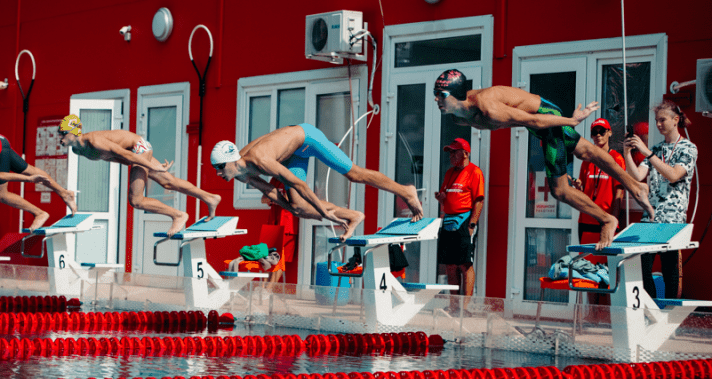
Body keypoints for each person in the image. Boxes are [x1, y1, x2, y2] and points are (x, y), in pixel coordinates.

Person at [433, 68, 654, 250]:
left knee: (560, 190)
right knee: (586, 151)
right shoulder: (457, 117)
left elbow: (535, 121)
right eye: (436, 94)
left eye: (441, 95)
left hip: (544, 119)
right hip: (539, 125)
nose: (437, 100)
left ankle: (607, 219)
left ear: (458, 95)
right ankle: (635, 186)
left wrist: (571, 120)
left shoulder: (488, 108)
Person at [210, 124, 424, 240]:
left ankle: (405, 191)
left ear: (230, 161)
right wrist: (292, 209)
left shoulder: (260, 160)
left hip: (308, 139)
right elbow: (271, 192)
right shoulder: (239, 173)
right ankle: (354, 216)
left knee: (354, 174)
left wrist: (322, 212)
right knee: (300, 208)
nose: (219, 174)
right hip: (292, 153)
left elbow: (299, 185)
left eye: (219, 168)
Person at [57, 114, 220, 237]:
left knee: (136, 200)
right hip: (133, 152)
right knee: (169, 183)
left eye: (63, 133)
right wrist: (149, 165)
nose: (61, 138)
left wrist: (150, 164)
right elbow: (113, 158)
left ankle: (178, 215)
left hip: (138, 148)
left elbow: (123, 153)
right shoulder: (77, 150)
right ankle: (210, 198)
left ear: (75, 132)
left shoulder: (93, 141)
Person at [623, 101, 697, 300]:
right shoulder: (657, 148)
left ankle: (669, 316)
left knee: (669, 269)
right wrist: (627, 153)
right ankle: (653, 310)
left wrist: (647, 152)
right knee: (642, 266)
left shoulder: (688, 148)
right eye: (656, 121)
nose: (658, 124)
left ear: (675, 120)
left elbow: (674, 175)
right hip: (651, 217)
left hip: (673, 220)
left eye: (662, 120)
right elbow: (637, 176)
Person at [434, 138, 484, 306]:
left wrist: (472, 224)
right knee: (450, 265)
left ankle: (465, 307)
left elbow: (479, 200)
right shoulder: (449, 172)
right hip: (448, 221)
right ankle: (454, 305)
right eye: (450, 152)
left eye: (454, 152)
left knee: (465, 264)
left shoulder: (474, 172)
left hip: (465, 221)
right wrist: (441, 199)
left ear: (465, 153)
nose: (451, 155)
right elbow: (445, 197)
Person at [572, 118, 625, 246]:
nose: (598, 135)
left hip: (605, 220)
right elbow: (583, 191)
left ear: (610, 133)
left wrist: (615, 220)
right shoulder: (587, 159)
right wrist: (578, 187)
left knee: (604, 263)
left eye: (602, 131)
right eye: (594, 133)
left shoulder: (617, 158)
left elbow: (619, 192)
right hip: (586, 219)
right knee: (585, 263)